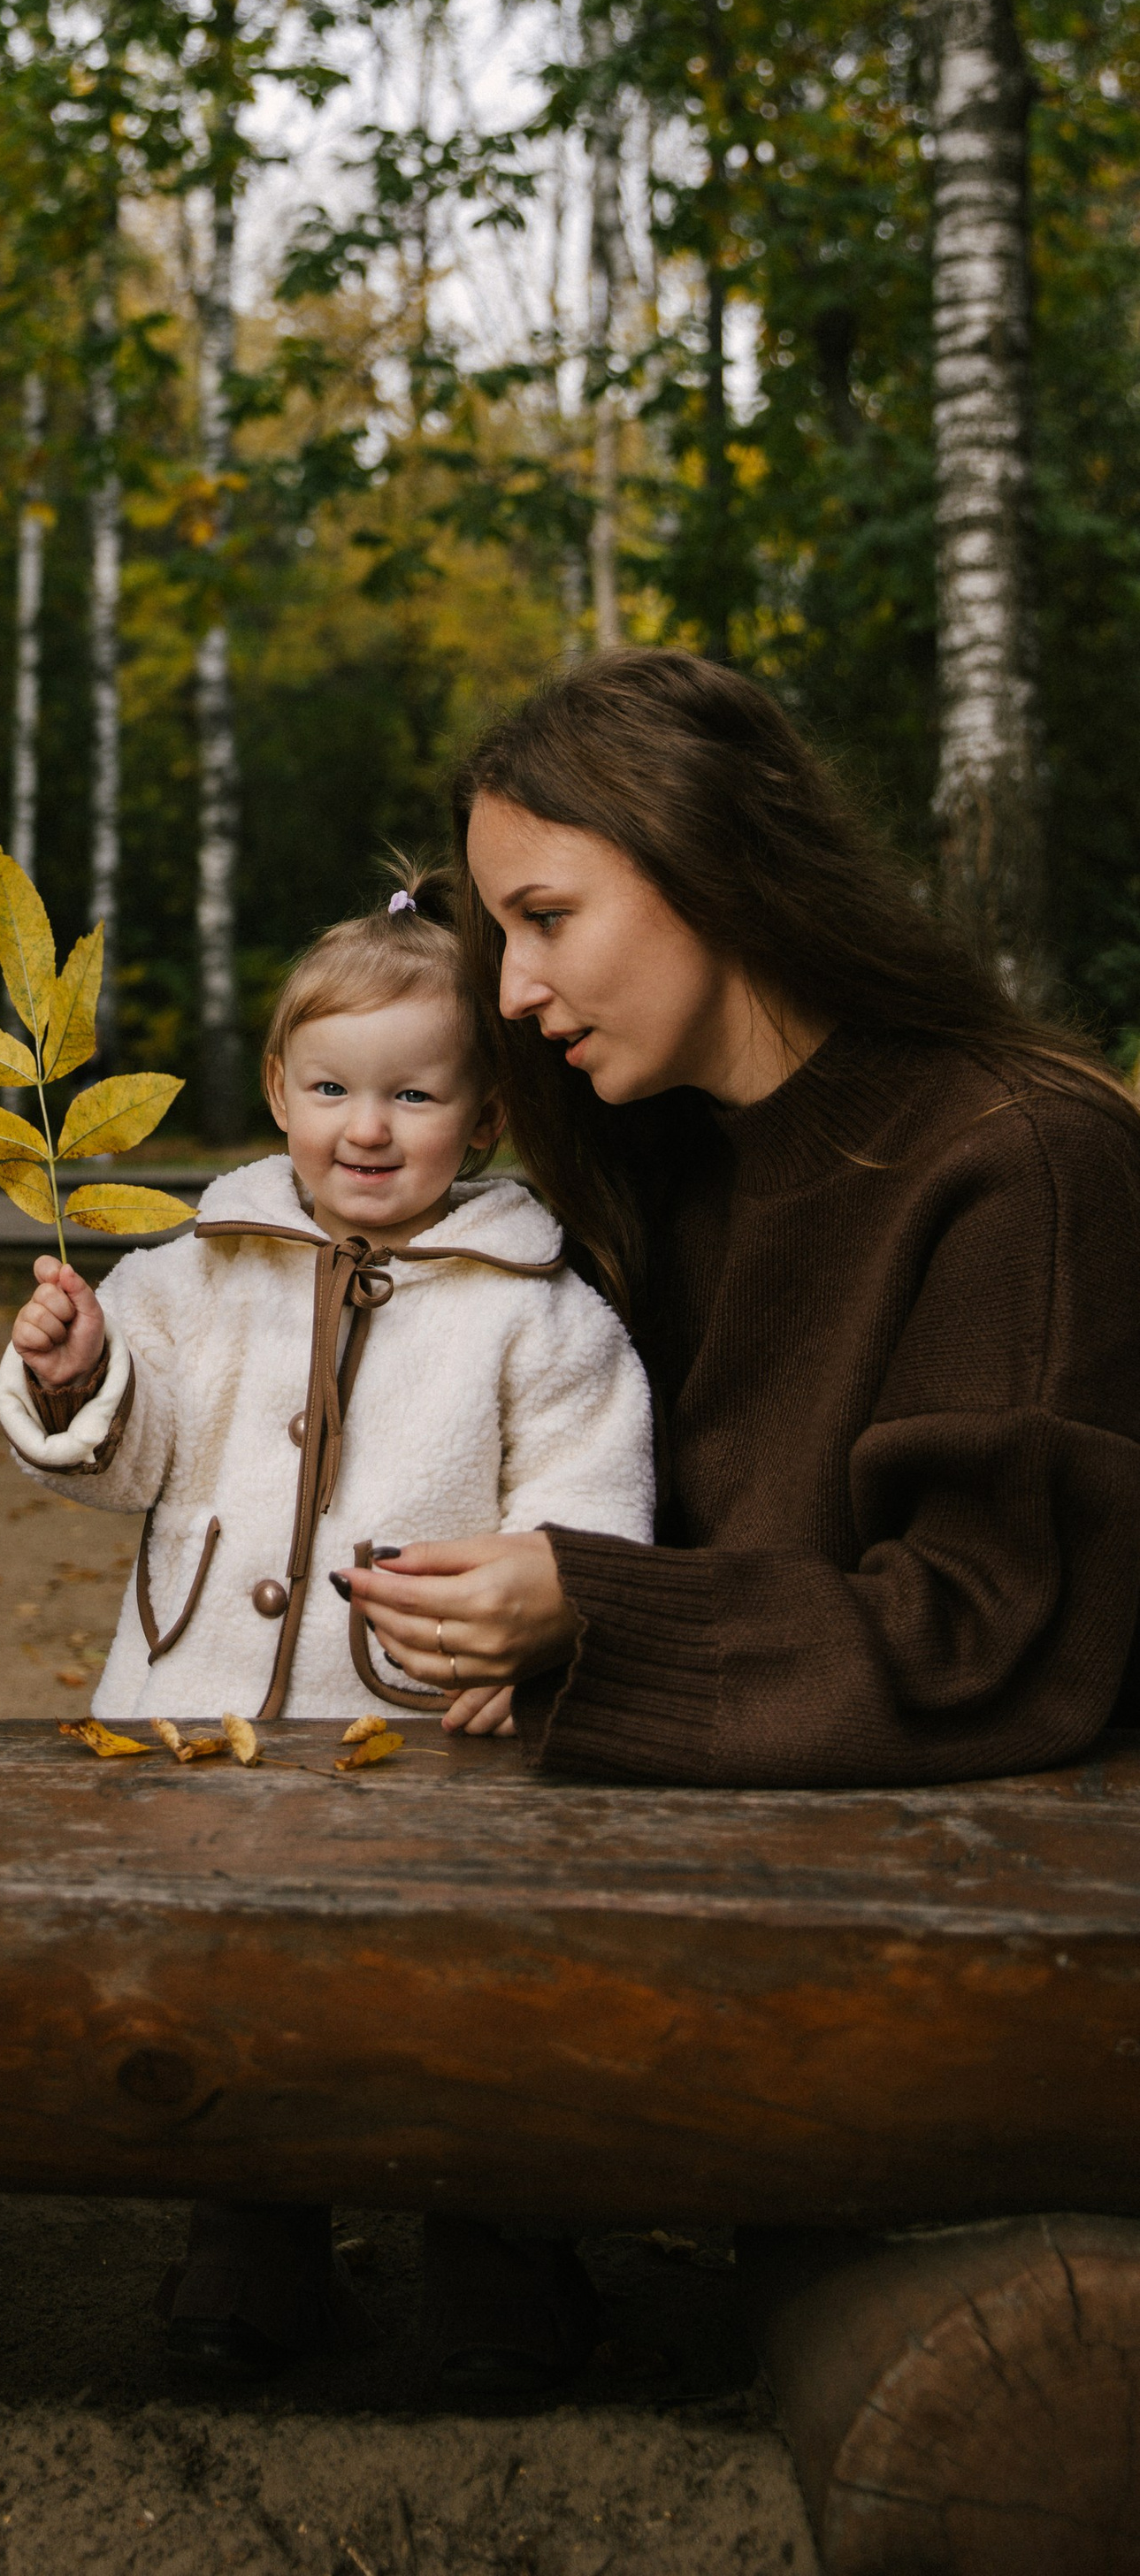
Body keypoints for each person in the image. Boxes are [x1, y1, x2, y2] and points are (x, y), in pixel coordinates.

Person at [336, 647, 1140, 2396]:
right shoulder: (662, 1169)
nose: (514, 991)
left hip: (983, 1899)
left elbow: (984, 1629)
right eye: (498, 936)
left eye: (546, 919)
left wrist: (593, 1617)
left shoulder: (1024, 1156)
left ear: (708, 862)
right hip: (715, 1846)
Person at [0, 876, 654, 2382]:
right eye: (334, 1089)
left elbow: (591, 1498)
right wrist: (75, 1375)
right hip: (204, 1708)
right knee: (230, 1976)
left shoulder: (538, 1308)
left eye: (414, 1095)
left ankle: (493, 2241)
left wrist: (542, 1629)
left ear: (482, 1120)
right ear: (281, 1092)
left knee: (458, 1987)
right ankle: (253, 2235)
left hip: (424, 1735)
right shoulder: (189, 1272)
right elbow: (125, 1460)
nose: (369, 1128)